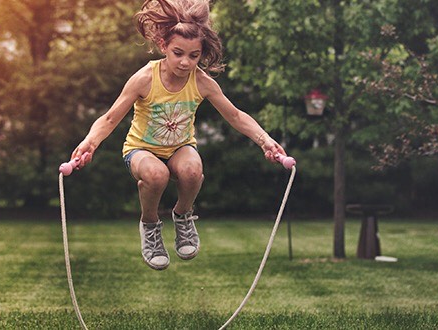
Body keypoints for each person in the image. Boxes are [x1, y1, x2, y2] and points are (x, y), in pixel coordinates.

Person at [68, 0, 286, 271]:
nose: (185, 62)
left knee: (193, 170)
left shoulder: (202, 82)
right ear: (164, 47)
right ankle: (150, 225)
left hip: (180, 146)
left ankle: (183, 215)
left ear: (201, 54)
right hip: (141, 149)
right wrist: (90, 143)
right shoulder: (145, 79)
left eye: (193, 56)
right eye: (178, 53)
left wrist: (266, 141)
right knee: (156, 175)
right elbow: (111, 118)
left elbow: (236, 116)